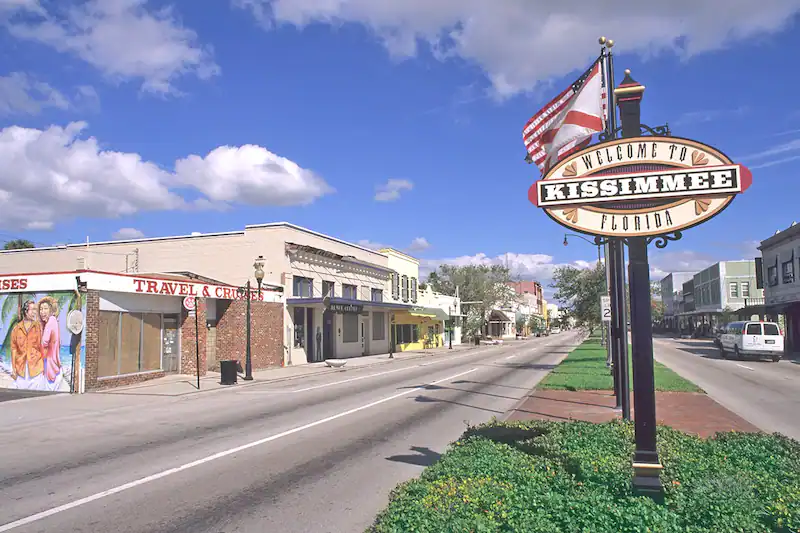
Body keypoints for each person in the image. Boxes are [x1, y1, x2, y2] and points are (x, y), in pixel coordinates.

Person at [10, 300, 44, 390]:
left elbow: (42, 347)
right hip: (21, 370)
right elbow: (14, 350)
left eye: (35, 310)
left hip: (36, 370)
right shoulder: (16, 329)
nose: (34, 312)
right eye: (32, 310)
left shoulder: (38, 327)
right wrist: (13, 368)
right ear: (25, 311)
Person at [38, 297, 63, 391]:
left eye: (45, 308)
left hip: (51, 366)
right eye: (41, 309)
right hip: (54, 366)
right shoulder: (54, 321)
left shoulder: (51, 321)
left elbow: (44, 342)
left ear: (51, 310)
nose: (42, 312)